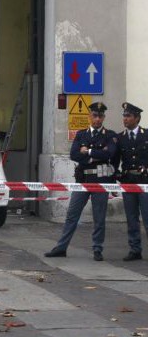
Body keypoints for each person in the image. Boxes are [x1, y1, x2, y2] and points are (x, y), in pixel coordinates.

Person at [44, 102, 117, 261]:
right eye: (94, 116)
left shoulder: (109, 135)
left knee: (99, 217)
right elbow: (74, 155)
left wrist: (88, 152)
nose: (97, 119)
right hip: (83, 180)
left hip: (100, 180)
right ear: (89, 117)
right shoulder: (81, 134)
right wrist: (96, 155)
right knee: (72, 214)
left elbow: (109, 154)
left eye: (100, 116)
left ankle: (97, 249)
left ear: (104, 117)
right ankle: (61, 247)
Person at [114, 102, 148, 261]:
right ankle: (135, 249)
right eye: (124, 116)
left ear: (137, 118)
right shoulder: (120, 138)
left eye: (128, 116)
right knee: (131, 218)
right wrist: (115, 178)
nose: (125, 119)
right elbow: (115, 161)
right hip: (128, 181)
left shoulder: (146, 135)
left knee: (147, 216)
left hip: (145, 181)